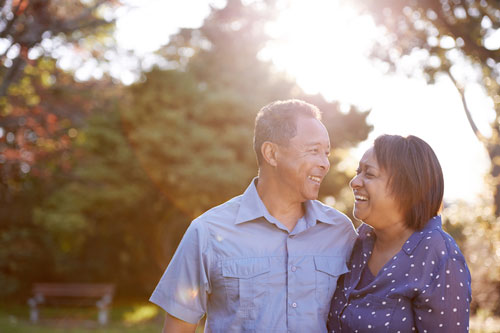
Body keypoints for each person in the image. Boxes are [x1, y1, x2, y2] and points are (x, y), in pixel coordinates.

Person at [150, 99, 357, 332]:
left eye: (326, 153)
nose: (324, 163)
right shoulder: (207, 232)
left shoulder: (341, 231)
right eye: (314, 151)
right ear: (271, 153)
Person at [327, 134, 472, 332]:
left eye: (369, 174)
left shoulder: (439, 254)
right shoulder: (358, 242)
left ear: (407, 186)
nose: (354, 182)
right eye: (358, 172)